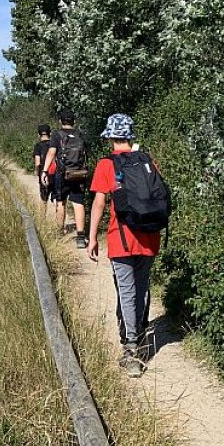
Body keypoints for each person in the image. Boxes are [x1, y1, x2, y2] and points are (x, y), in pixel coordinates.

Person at [86, 113, 163, 378]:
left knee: (127, 292)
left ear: (110, 137)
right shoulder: (148, 161)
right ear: (129, 135)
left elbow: (98, 203)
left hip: (121, 239)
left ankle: (132, 350)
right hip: (150, 237)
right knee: (141, 289)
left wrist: (92, 236)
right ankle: (139, 340)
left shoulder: (106, 165)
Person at [40, 110, 88, 248]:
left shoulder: (56, 134)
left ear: (60, 121)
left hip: (62, 174)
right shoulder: (80, 134)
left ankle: (60, 232)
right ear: (74, 122)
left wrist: (44, 170)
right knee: (78, 203)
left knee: (61, 202)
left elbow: (52, 152)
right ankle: (80, 236)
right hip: (79, 173)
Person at [32, 123, 54, 214]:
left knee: (44, 198)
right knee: (59, 200)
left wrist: (38, 172)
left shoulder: (38, 146)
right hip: (55, 173)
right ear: (50, 133)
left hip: (44, 174)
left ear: (38, 135)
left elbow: (37, 163)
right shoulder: (54, 145)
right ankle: (59, 224)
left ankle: (43, 220)